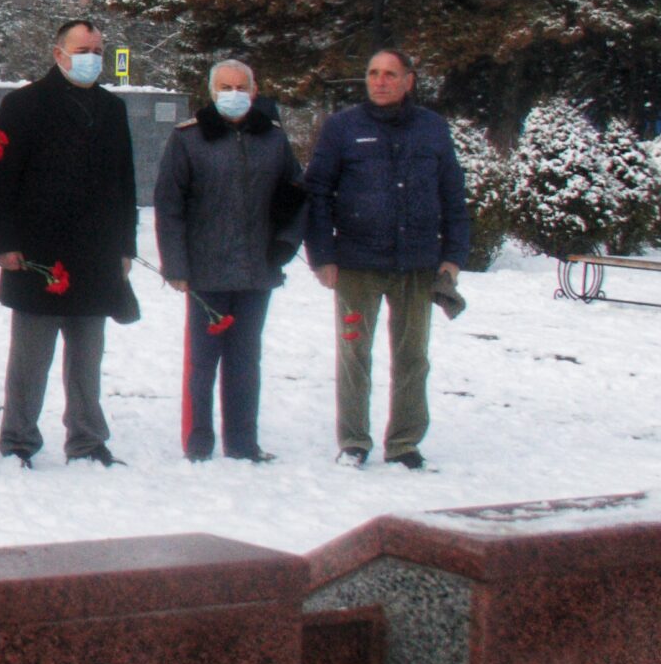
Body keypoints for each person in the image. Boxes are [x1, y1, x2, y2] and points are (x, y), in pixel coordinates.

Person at [304, 48, 470, 471]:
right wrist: (322, 255)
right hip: (356, 263)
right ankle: (354, 441)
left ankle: (404, 443)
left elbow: (453, 195)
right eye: (373, 73)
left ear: (408, 80)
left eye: (390, 74)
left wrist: (452, 256)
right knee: (354, 355)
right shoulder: (343, 128)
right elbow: (317, 193)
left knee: (413, 357)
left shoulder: (432, 129)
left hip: (416, 264)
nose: (380, 81)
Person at [0, 17, 139, 468]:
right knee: (30, 359)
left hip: (95, 254)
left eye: (98, 51)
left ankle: (88, 440)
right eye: (83, 50)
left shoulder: (112, 109)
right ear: (58, 54)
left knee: (87, 357)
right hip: (38, 251)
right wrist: (4, 243)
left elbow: (125, 182)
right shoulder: (24, 104)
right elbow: (1, 180)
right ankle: (18, 441)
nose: (92, 59)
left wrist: (126, 246)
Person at [154, 59, 306, 464]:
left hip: (257, 270)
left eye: (241, 87)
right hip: (206, 270)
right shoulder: (188, 139)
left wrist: (285, 245)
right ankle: (198, 441)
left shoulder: (273, 140)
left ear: (254, 92)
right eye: (225, 87)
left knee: (245, 361)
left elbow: (295, 195)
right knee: (202, 363)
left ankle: (242, 442)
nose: (234, 94)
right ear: (212, 91)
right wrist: (176, 266)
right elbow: (169, 206)